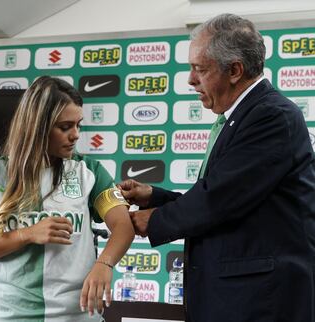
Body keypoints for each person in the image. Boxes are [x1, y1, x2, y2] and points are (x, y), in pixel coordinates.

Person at [119, 13, 315, 322]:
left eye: (200, 69)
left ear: (235, 70)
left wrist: (149, 220)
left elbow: (218, 200)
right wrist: (155, 197)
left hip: (259, 304)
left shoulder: (271, 116)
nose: (190, 79)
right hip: (239, 300)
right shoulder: (245, 115)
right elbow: (227, 199)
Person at [0, 76, 135, 322]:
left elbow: (123, 226)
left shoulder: (89, 171)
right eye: (64, 127)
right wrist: (27, 234)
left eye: (78, 125)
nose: (75, 135)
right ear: (36, 126)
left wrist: (104, 264)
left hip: (76, 315)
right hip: (7, 315)